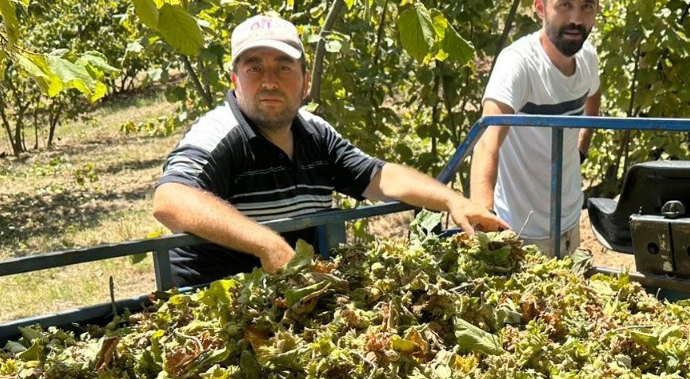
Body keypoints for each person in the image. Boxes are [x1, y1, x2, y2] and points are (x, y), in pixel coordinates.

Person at [153, 14, 507, 286]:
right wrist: (268, 245)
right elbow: (170, 200)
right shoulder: (218, 132)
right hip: (220, 305)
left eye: (283, 67)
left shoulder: (314, 132)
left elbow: (379, 175)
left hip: (295, 296)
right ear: (235, 80)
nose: (269, 81)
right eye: (254, 68)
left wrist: (451, 200)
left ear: (304, 82)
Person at [471, 0, 601, 257]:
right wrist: (484, 217)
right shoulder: (518, 64)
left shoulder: (587, 59)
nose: (576, 18)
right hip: (520, 230)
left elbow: (594, 96)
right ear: (540, 8)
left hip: (569, 219)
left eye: (587, 6)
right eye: (565, 5)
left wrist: (581, 150)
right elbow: (487, 139)